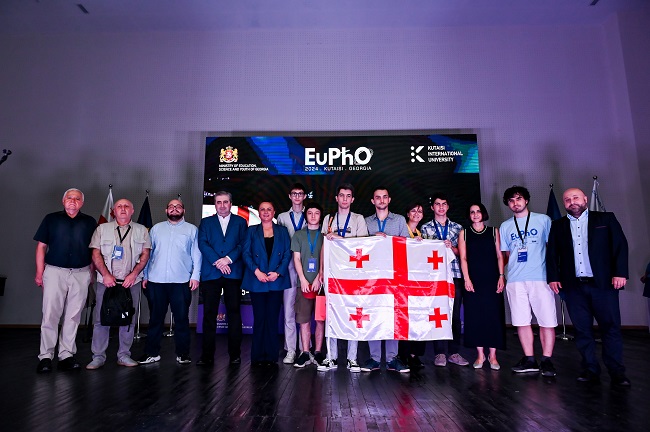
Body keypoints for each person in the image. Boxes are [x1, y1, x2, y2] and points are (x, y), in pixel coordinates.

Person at [546, 188, 630, 385]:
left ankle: (616, 371)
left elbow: (620, 246)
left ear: (584, 199)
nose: (572, 202)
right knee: (582, 331)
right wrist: (553, 277)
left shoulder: (605, 219)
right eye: (567, 200)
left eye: (575, 197)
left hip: (603, 285)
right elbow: (552, 254)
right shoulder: (558, 225)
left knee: (610, 328)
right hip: (573, 287)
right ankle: (590, 369)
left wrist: (620, 272)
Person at [34, 188, 97, 373]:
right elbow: (41, 247)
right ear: (63, 201)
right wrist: (39, 272)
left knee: (73, 316)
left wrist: (91, 273)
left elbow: (94, 249)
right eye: (69, 198)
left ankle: (66, 355)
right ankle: (46, 356)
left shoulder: (89, 222)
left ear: (82, 203)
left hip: (81, 273)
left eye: (77, 199)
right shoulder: (51, 219)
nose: (73, 201)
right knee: (50, 315)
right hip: (55, 272)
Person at [87, 199, 151, 369]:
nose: (123, 209)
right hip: (106, 282)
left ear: (132, 210)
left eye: (126, 206)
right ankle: (98, 357)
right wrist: (106, 275)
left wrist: (134, 274)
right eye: (119, 206)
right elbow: (95, 253)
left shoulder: (142, 230)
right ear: (113, 211)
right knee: (101, 319)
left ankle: (124, 355)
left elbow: (145, 254)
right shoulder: (102, 229)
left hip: (131, 282)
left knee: (128, 319)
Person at [499, 186, 556, 376]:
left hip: (541, 278)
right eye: (511, 200)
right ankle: (530, 359)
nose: (515, 203)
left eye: (519, 199)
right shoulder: (505, 226)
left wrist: (555, 276)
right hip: (515, 280)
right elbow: (507, 254)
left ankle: (547, 360)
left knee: (547, 321)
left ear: (526, 200)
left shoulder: (543, 220)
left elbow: (552, 249)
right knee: (521, 321)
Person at [139, 199, 201, 365]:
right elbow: (148, 254)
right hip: (156, 280)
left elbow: (196, 254)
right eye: (171, 206)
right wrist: (145, 275)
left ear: (183, 210)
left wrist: (195, 276)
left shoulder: (192, 230)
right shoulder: (156, 229)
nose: (175, 209)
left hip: (181, 281)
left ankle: (183, 354)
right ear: (166, 210)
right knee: (155, 319)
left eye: (178, 206)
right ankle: (152, 353)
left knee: (181, 320)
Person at [319, 183, 369, 372]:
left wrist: (340, 239)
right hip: (332, 272)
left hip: (353, 273)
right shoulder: (328, 219)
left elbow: (362, 245)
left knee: (354, 313)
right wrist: (322, 270)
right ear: (336, 198)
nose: (345, 199)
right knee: (331, 313)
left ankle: (352, 358)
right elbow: (324, 246)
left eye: (348, 196)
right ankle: (330, 357)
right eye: (342, 195)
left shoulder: (358, 219)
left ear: (352, 199)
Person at [362, 187, 410, 373]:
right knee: (373, 314)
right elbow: (359, 244)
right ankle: (374, 358)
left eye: (384, 197)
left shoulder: (399, 220)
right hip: (372, 276)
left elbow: (407, 245)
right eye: (377, 197)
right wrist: (372, 238)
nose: (381, 200)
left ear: (389, 199)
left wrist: (390, 240)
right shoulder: (366, 222)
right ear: (372, 201)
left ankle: (392, 358)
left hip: (394, 276)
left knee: (393, 315)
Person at [196, 191, 248, 366]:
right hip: (212, 273)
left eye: (226, 202)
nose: (222, 205)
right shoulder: (206, 222)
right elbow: (202, 243)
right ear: (215, 204)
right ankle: (207, 356)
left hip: (233, 272)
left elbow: (242, 244)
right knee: (209, 315)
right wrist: (218, 262)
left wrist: (228, 259)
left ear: (231, 204)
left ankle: (235, 355)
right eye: (219, 202)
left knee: (234, 314)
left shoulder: (241, 222)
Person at [421, 193, 469, 367]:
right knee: (438, 314)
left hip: (454, 275)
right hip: (435, 278)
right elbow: (422, 253)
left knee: (455, 316)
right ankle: (439, 353)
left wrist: (452, 248)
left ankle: (454, 352)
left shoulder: (458, 228)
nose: (441, 207)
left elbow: (463, 253)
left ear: (448, 207)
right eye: (437, 204)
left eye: (444, 204)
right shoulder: (425, 228)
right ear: (432, 207)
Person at [242, 201, 292, 366]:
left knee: (272, 319)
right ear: (258, 212)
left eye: (269, 209)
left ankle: (271, 356)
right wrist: (256, 271)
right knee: (259, 319)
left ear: (274, 212)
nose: (265, 212)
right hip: (257, 280)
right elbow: (246, 253)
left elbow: (287, 254)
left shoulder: (282, 231)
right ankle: (257, 356)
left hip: (275, 281)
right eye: (262, 209)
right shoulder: (251, 230)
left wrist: (278, 273)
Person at [458, 203, 506, 370]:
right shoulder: (464, 233)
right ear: (469, 215)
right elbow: (463, 258)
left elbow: (499, 256)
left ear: (483, 213)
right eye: (472, 212)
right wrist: (467, 279)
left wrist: (501, 276)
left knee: (493, 315)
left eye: (478, 211)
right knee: (475, 316)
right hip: (473, 280)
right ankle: (480, 355)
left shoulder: (493, 231)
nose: (475, 214)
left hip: (492, 279)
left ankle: (493, 355)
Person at [290, 202, 325, 368]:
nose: (313, 216)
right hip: (303, 284)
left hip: (322, 284)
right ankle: (305, 353)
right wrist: (303, 279)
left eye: (316, 213)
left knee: (320, 320)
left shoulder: (325, 235)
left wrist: (319, 276)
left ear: (321, 216)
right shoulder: (298, 235)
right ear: (306, 215)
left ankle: (318, 352)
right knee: (304, 320)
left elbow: (329, 258)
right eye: (310, 213)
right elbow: (296, 258)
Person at [276, 183, 307, 364]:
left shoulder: (310, 215)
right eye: (294, 193)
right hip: (288, 266)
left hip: (306, 266)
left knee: (304, 311)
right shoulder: (282, 217)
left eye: (300, 194)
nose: (297, 196)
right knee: (288, 310)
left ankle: (305, 349)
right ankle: (290, 349)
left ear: (304, 196)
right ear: (290, 196)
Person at [398, 202, 427, 369]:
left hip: (418, 282)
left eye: (420, 211)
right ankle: (404, 354)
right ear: (407, 214)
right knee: (405, 318)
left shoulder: (421, 234)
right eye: (413, 210)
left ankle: (415, 355)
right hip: (403, 281)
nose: (417, 213)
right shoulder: (402, 232)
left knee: (419, 317)